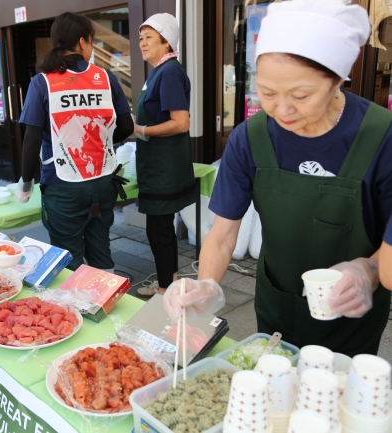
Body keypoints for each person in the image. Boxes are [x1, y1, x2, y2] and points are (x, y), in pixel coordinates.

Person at [165, 0, 392, 357]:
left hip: (354, 312)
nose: (282, 110)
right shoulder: (249, 138)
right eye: (267, 93)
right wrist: (206, 285)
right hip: (278, 304)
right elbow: (223, 234)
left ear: (337, 80)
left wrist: (370, 270)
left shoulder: (382, 136)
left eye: (300, 96)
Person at [16, 12, 133, 272]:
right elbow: (126, 126)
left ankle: (74, 308)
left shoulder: (42, 82)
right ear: (82, 42)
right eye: (91, 42)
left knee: (68, 260)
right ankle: (106, 303)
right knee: (102, 250)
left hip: (63, 185)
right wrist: (100, 143)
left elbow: (32, 139)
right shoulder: (105, 78)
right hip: (103, 180)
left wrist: (26, 183)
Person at [132, 13, 196, 297]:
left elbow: (181, 122)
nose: (142, 43)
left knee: (159, 230)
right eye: (140, 38)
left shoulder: (169, 72)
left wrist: (142, 130)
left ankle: (164, 292)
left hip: (164, 168)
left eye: (148, 37)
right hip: (159, 165)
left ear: (166, 41)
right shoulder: (160, 71)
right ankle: (167, 285)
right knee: (161, 229)